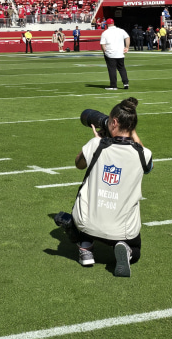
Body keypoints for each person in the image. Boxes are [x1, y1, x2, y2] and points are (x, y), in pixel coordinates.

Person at [54, 97, 153, 276]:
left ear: (113, 122)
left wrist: (97, 141)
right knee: (136, 249)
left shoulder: (96, 145)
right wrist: (131, 131)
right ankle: (127, 250)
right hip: (122, 230)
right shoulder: (143, 154)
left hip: (87, 224)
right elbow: (148, 166)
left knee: (87, 197)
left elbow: (79, 164)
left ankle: (86, 248)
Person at [100, 18, 130, 91]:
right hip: (120, 53)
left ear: (107, 24)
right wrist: (127, 47)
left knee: (112, 69)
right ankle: (126, 83)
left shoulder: (105, 33)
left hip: (110, 53)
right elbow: (127, 37)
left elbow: (102, 44)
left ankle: (113, 85)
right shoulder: (121, 30)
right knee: (122, 68)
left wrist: (104, 51)